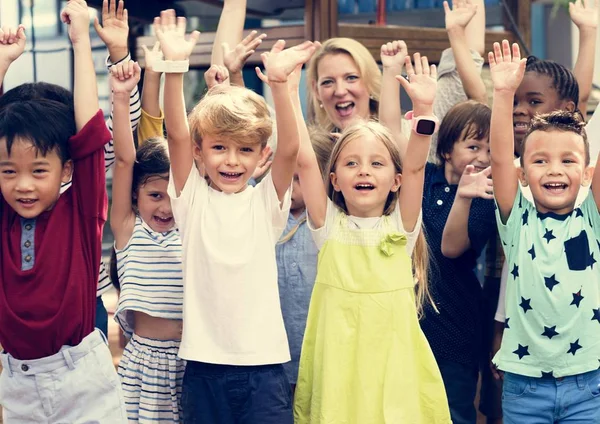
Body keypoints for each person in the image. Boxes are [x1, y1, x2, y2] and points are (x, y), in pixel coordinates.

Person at [157, 8, 315, 423]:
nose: (232, 160)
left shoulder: (266, 204)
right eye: (220, 147)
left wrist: (279, 85)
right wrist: (174, 66)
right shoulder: (191, 199)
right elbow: (175, 132)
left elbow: (289, 150)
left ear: (260, 156)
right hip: (203, 370)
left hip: (266, 371)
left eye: (245, 149)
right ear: (199, 152)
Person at [294, 53, 451, 423]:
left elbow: (414, 166)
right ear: (333, 179)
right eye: (351, 163)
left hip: (393, 369)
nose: (364, 170)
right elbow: (302, 159)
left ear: (395, 181)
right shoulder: (328, 226)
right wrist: (285, 88)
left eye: (377, 163)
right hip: (340, 370)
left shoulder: (401, 227)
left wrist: (424, 106)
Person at [0, 0, 127, 421]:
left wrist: (80, 41)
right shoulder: (5, 218)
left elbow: (90, 131)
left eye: (39, 171)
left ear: (66, 169)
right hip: (18, 387)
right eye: (9, 171)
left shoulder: (81, 210)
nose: (23, 185)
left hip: (83, 384)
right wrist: (1, 67)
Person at [489, 39, 600, 423]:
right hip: (524, 386)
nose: (554, 169)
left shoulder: (592, 217)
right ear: (523, 173)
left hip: (589, 384)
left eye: (568, 160)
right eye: (540, 160)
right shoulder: (518, 220)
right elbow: (501, 155)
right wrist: (503, 93)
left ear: (586, 174)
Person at [108, 59, 185, 422]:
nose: (167, 206)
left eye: (174, 194)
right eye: (156, 195)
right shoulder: (128, 229)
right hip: (143, 363)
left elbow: (187, 139)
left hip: (193, 360)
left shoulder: (192, 228)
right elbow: (124, 160)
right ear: (136, 196)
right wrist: (122, 100)